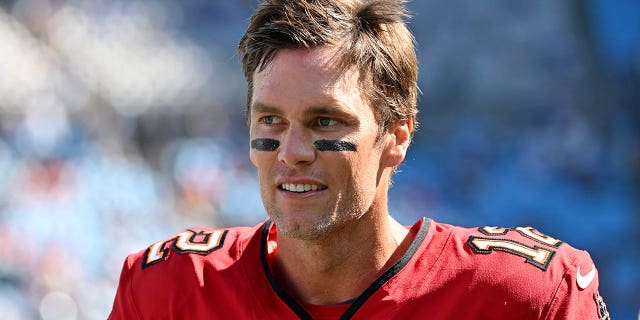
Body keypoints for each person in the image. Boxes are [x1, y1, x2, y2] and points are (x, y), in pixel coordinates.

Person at [109, 0, 609, 319]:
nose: (293, 152)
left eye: (326, 121)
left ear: (396, 135)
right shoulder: (168, 291)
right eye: (270, 121)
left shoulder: (525, 296)